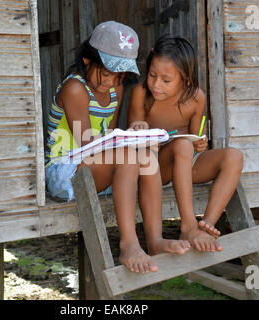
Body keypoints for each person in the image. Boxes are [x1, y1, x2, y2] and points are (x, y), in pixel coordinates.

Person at [45, 22, 190, 274]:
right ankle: (128, 245)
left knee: (144, 155)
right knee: (127, 154)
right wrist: (122, 143)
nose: (111, 80)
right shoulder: (75, 89)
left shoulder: (116, 89)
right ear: (88, 60)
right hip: (64, 171)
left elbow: (107, 136)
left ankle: (154, 240)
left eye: (118, 74)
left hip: (96, 170)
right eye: (106, 71)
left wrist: (134, 135)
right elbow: (88, 144)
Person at [128, 35, 244, 252]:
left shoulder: (197, 98)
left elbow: (196, 137)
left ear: (186, 80)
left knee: (234, 157)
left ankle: (205, 225)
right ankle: (188, 225)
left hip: (184, 166)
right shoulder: (141, 94)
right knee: (182, 146)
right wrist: (138, 127)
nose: (156, 84)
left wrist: (201, 144)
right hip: (154, 169)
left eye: (166, 80)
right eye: (152, 75)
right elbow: (133, 138)